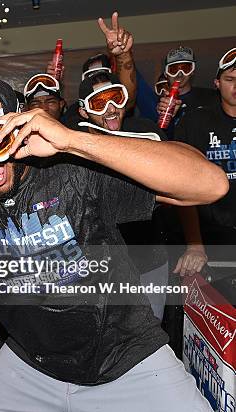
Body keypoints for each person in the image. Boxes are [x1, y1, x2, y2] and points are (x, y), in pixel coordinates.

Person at [0, 77, 227, 412]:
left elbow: (210, 185)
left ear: (19, 127)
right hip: (31, 366)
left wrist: (71, 140)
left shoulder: (70, 169)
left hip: (126, 358)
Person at [74, 71, 170, 320]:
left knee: (151, 334)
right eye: (99, 102)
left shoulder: (146, 134)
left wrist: (194, 245)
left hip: (150, 258)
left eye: (115, 97)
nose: (110, 108)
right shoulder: (76, 148)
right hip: (102, 270)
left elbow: (181, 190)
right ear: (84, 111)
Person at [173, 47, 236, 263]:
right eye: (230, 79)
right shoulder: (194, 122)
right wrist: (195, 245)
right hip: (211, 237)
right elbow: (183, 186)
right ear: (217, 83)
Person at [156, 46, 217, 134]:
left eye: (185, 69)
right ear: (166, 73)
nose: (180, 75)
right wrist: (160, 116)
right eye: (174, 70)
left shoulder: (211, 97)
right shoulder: (158, 103)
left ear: (192, 71)